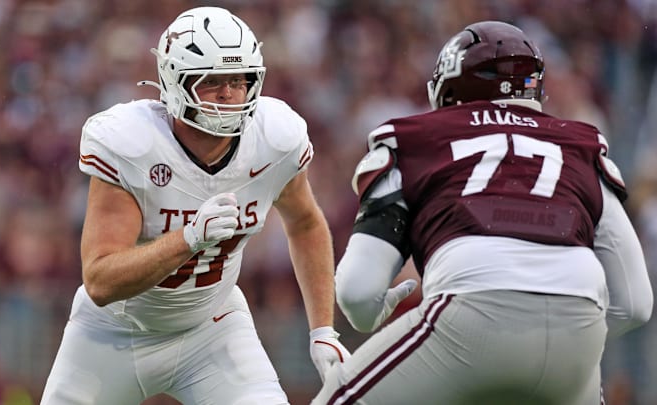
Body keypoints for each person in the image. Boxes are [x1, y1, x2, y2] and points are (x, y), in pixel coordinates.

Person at [313, 21, 653, 405]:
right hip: (579, 333)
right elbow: (636, 304)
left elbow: (357, 293)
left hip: (469, 317)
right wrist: (560, 330)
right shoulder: (582, 147)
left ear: (448, 87)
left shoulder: (414, 140)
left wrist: (375, 313)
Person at [40, 6, 350, 405]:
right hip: (114, 332)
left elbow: (306, 222)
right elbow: (100, 280)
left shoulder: (275, 139)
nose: (229, 94)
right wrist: (186, 239)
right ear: (174, 82)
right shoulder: (132, 144)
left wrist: (322, 330)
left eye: (239, 81)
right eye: (212, 81)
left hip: (212, 326)